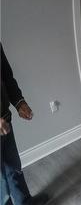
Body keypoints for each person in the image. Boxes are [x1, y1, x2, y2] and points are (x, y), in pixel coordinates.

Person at [1, 44, 49, 205]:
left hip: (5, 121)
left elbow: (6, 77)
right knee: (1, 187)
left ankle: (25, 202)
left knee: (13, 167)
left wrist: (19, 102)